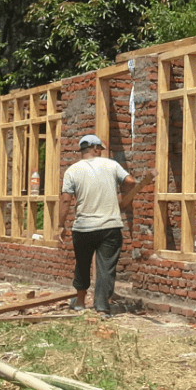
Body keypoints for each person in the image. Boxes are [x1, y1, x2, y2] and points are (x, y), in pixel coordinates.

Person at [59, 134, 144, 315]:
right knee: (106, 267)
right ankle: (102, 307)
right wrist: (124, 198)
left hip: (83, 227)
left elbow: (66, 200)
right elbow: (131, 181)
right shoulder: (111, 165)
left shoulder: (72, 171)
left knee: (82, 265)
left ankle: (80, 302)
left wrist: (61, 225)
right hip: (109, 227)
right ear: (96, 148)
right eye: (100, 149)